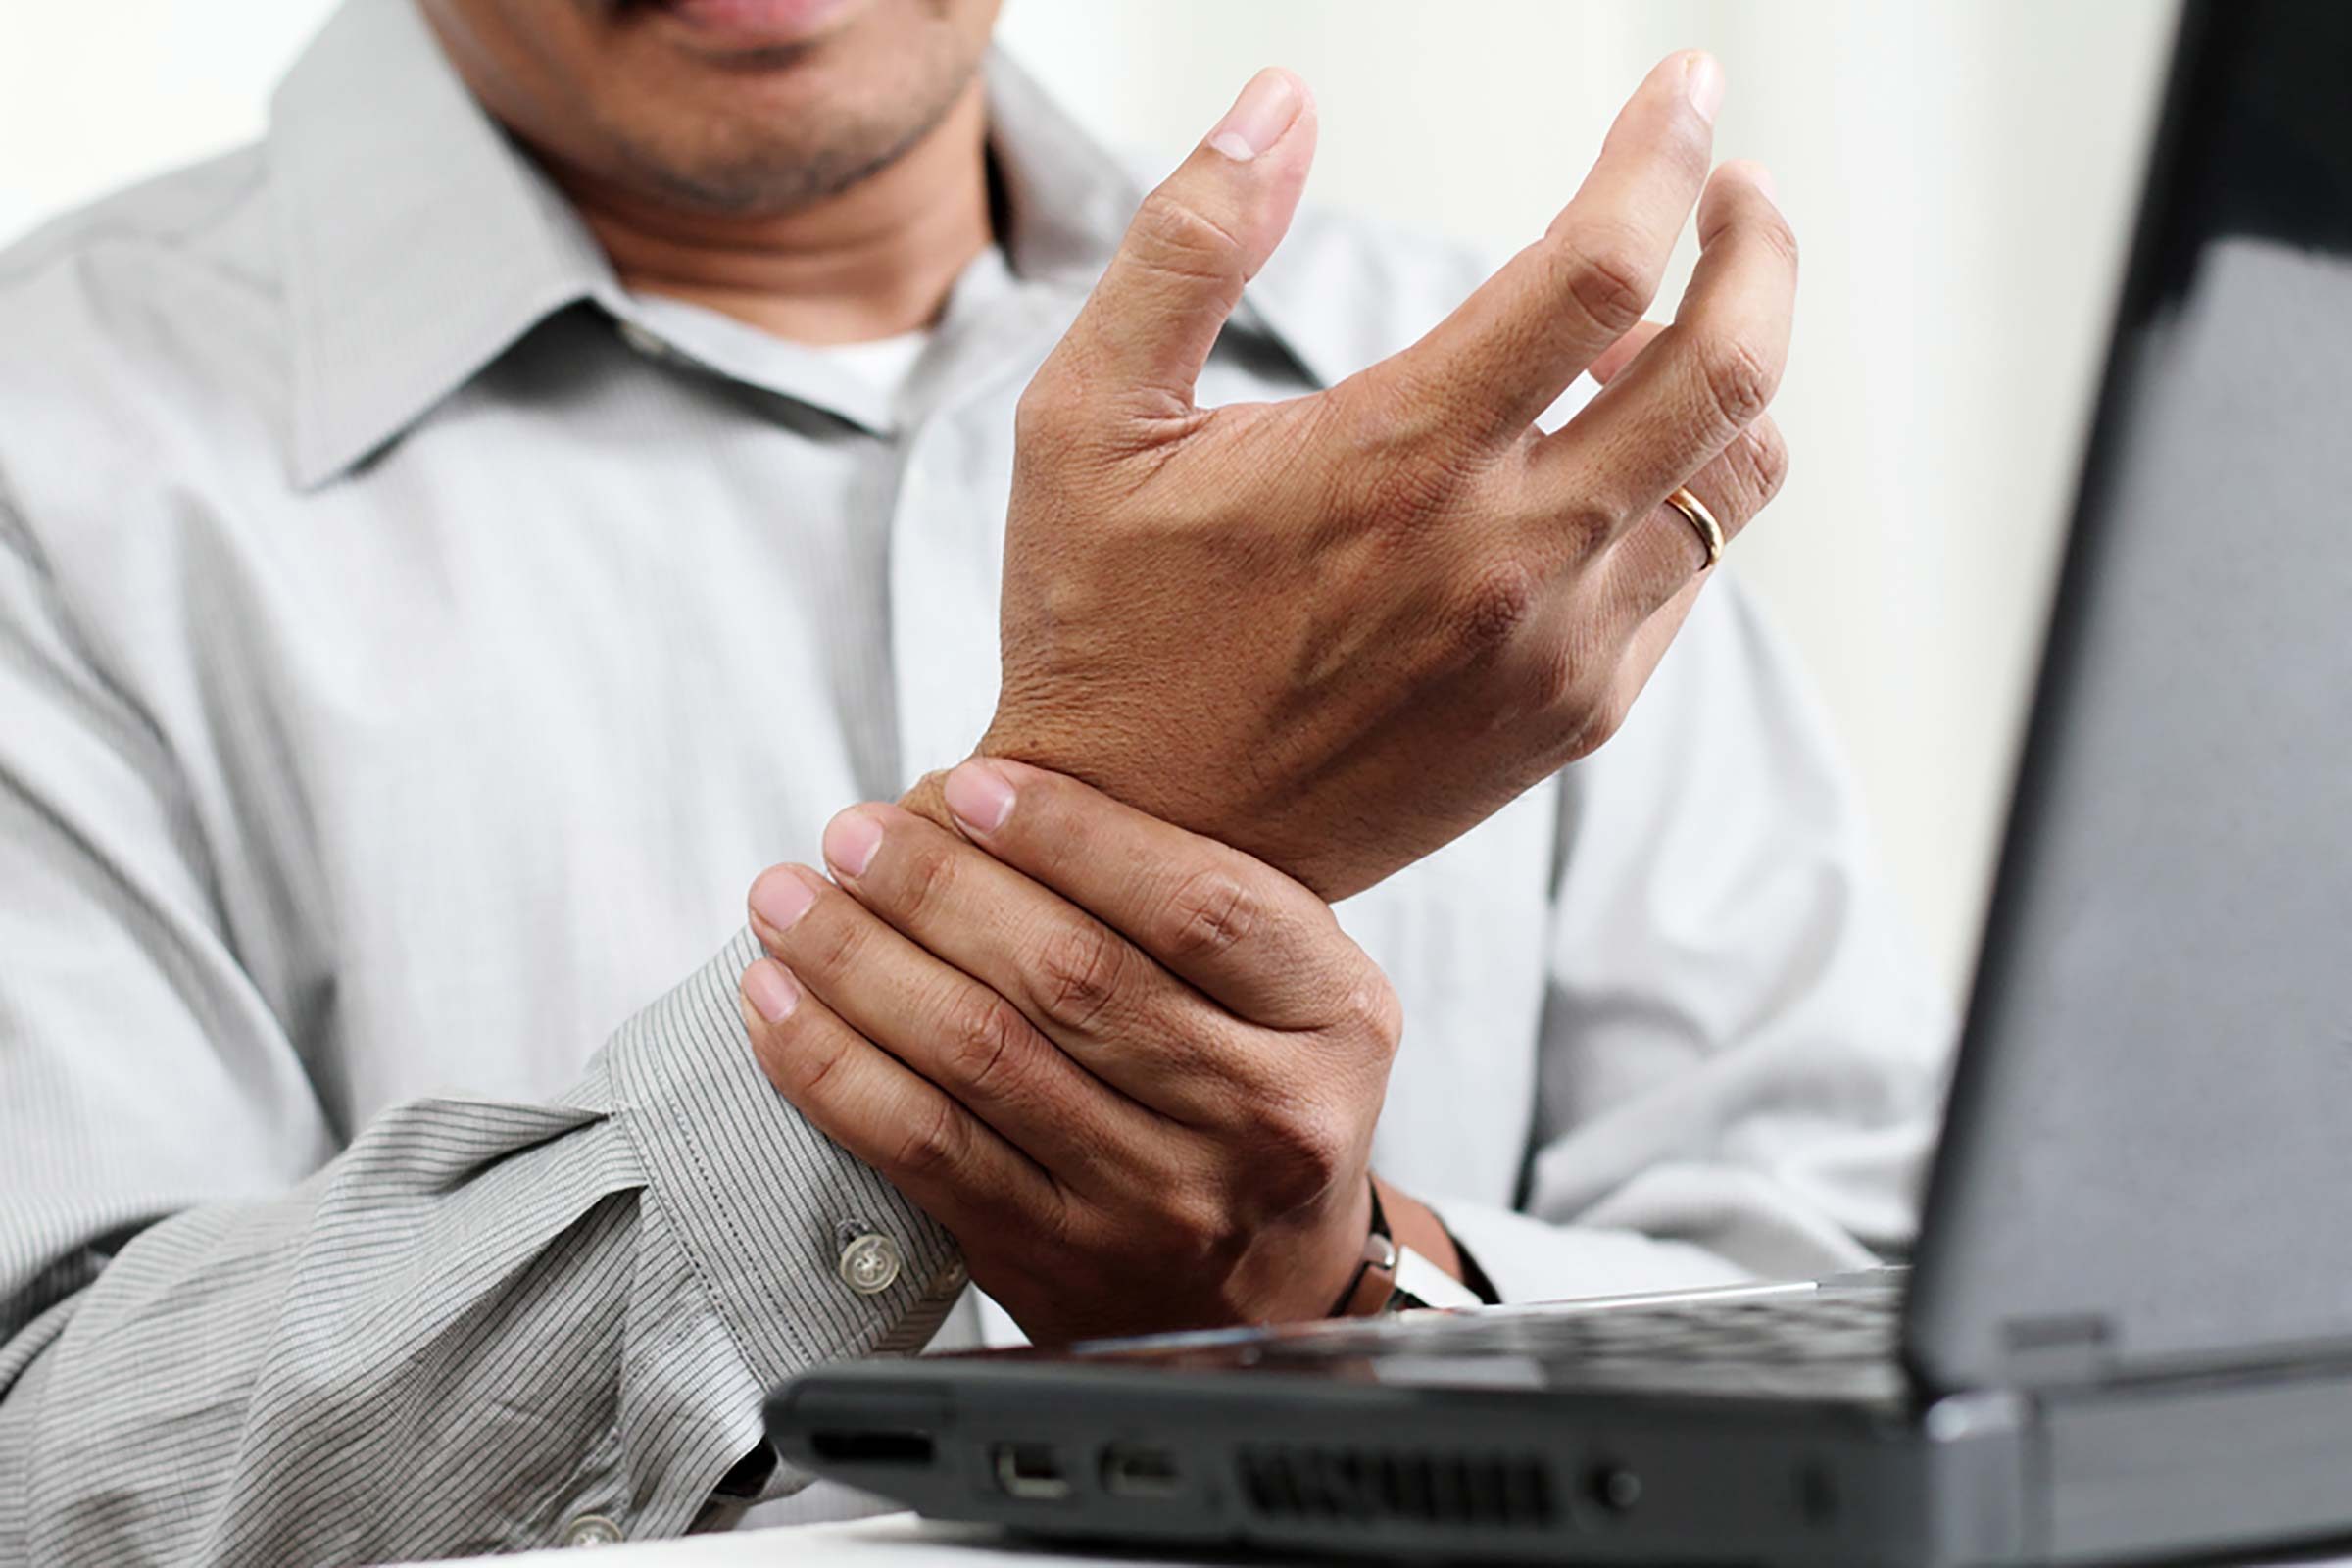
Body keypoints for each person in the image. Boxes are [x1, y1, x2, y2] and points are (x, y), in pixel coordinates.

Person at [0, 0, 1949, 1559]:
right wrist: (1105, 866)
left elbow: (1893, 1288)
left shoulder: (1504, 448)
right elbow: (51, 1464)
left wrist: (1358, 1303)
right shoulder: (44, 457)